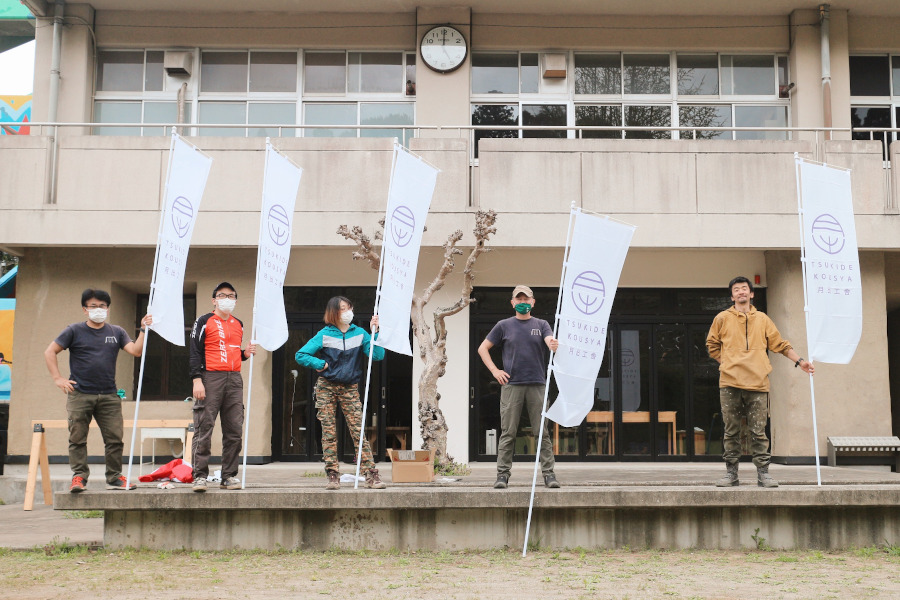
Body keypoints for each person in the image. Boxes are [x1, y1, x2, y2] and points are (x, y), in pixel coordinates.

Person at [706, 276, 814, 488]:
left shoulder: (763, 319)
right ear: (732, 296)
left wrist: (800, 361)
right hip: (729, 383)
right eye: (736, 290)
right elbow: (712, 344)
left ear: (751, 294)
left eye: (744, 289)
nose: (741, 292)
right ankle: (731, 474)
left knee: (758, 431)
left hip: (758, 383)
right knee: (731, 431)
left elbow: (780, 344)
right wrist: (725, 362)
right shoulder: (722, 318)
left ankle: (763, 473)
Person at [44, 288, 152, 492]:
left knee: (114, 439)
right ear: (85, 310)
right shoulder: (73, 330)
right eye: (93, 306)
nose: (98, 310)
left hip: (109, 395)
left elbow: (136, 351)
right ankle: (79, 477)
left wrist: (143, 329)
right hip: (80, 394)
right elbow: (50, 351)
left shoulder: (116, 332)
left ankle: (114, 477)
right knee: (77, 438)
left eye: (102, 306)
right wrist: (58, 379)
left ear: (108, 309)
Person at [295, 296, 386, 490]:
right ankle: (333, 474)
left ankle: (371, 474)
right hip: (326, 386)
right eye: (343, 309)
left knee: (358, 431)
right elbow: (300, 355)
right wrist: (319, 364)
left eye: (349, 308)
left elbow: (376, 356)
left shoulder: (360, 333)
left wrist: (375, 333)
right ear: (334, 313)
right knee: (329, 432)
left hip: (350, 387)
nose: (347, 312)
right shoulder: (324, 334)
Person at [477, 285, 561, 490]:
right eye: (519, 299)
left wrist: (552, 343)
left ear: (533, 302)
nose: (523, 303)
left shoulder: (541, 324)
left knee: (542, 433)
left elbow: (549, 339)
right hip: (512, 385)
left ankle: (549, 475)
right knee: (508, 432)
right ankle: (502, 476)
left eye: (526, 299)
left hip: (537, 385)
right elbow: (482, 348)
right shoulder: (503, 325)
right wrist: (495, 371)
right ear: (512, 302)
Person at [189, 282, 256, 492]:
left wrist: (245, 354)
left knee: (234, 429)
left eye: (231, 296)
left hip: (234, 379)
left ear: (235, 300)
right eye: (222, 295)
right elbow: (194, 352)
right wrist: (197, 379)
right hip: (210, 377)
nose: (227, 299)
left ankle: (228, 476)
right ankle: (199, 475)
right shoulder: (204, 321)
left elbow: (233, 352)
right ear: (214, 300)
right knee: (204, 427)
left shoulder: (239, 323)